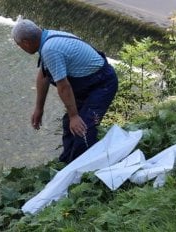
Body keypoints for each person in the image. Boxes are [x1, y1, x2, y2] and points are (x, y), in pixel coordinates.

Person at [11, 17, 118, 164]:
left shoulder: (50, 49)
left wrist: (75, 116)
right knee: (69, 124)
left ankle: (85, 171)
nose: (20, 48)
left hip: (102, 84)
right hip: (90, 84)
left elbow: (64, 86)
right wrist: (39, 108)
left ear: (26, 42)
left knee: (83, 128)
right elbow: (44, 76)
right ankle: (67, 163)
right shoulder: (47, 37)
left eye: (19, 45)